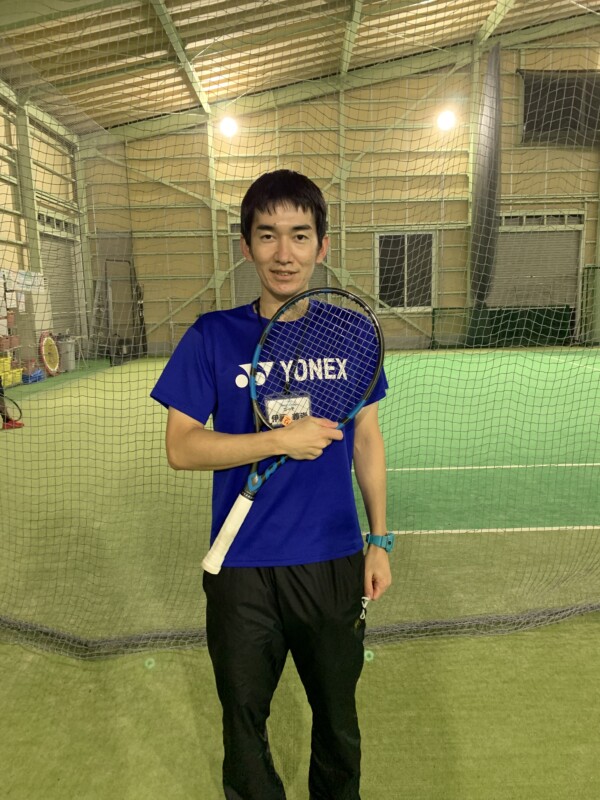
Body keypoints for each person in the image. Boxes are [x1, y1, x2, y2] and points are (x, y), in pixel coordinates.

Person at [151, 169, 392, 800]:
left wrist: (380, 540)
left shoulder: (352, 333)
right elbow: (182, 448)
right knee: (244, 727)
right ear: (246, 245)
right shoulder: (212, 336)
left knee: (337, 723)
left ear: (322, 245)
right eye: (267, 235)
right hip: (242, 568)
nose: (284, 253)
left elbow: (366, 439)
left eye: (299, 235)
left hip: (333, 561)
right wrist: (277, 442)